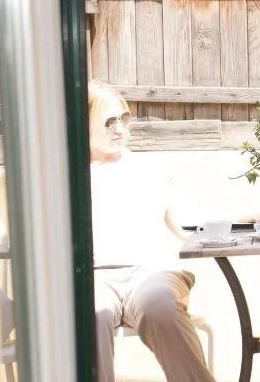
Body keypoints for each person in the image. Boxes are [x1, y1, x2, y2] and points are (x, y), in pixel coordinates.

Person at [87, 80, 213, 382]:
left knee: (160, 304)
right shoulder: (67, 176)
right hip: (93, 276)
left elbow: (185, 223)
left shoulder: (149, 169)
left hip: (150, 271)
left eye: (124, 119)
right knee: (91, 313)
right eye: (109, 122)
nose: (120, 129)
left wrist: (243, 222)